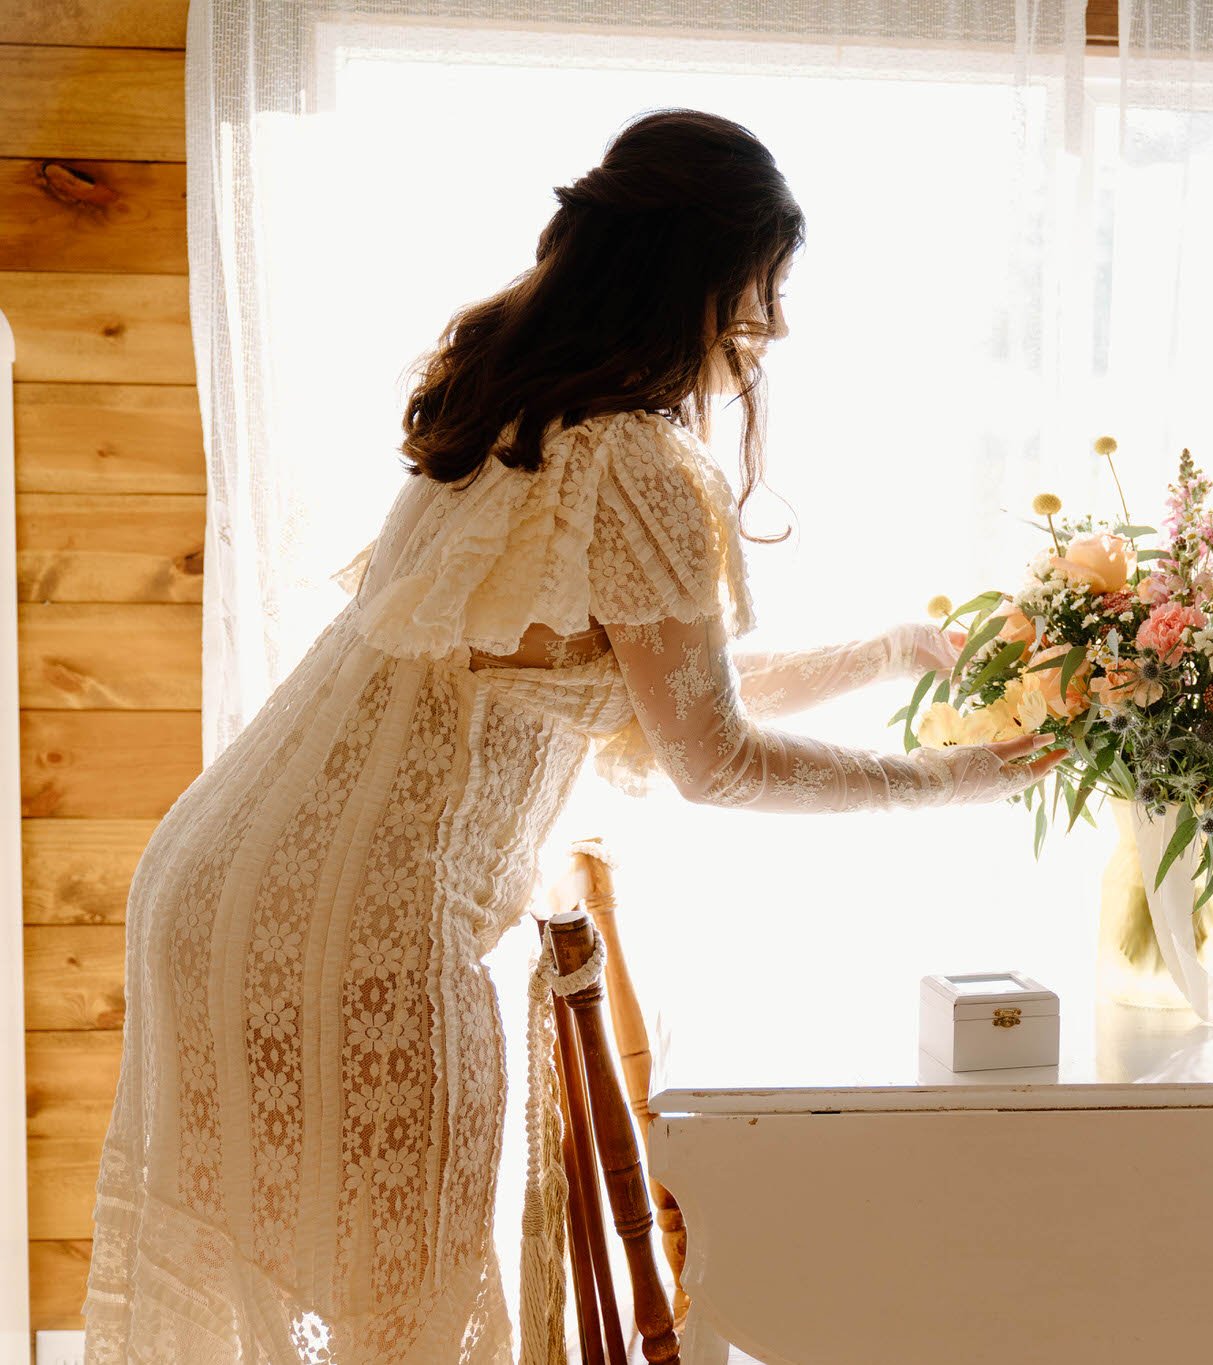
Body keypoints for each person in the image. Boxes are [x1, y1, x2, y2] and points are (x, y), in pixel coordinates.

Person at [81, 108, 1058, 1364]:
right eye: (761, 291)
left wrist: (887, 653)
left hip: (220, 884)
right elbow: (712, 758)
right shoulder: (635, 461)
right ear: (700, 281)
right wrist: (962, 781)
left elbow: (642, 690)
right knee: (402, 1316)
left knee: (286, 1294)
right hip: (356, 921)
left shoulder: (515, 421)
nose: (771, 327)